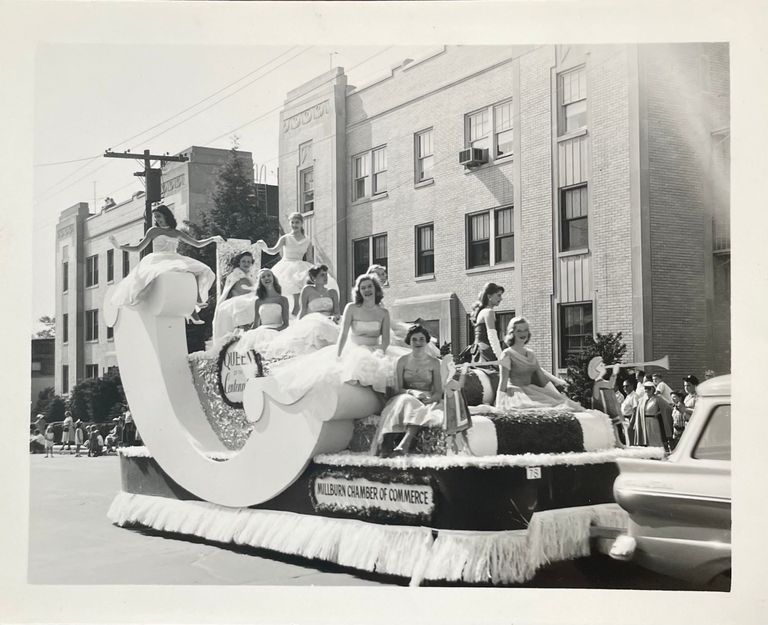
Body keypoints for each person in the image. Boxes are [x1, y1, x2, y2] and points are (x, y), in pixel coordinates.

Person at [264, 274, 407, 399]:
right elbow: (343, 335)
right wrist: (338, 354)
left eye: (369, 287)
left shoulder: (383, 313)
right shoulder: (351, 308)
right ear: (359, 291)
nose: (367, 290)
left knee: (389, 370)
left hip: (376, 348)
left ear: (376, 289)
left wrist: (379, 352)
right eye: (363, 288)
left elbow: (386, 340)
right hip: (354, 348)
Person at [109, 204, 223, 323]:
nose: (157, 219)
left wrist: (212, 239)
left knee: (199, 270)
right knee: (177, 274)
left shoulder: (176, 232)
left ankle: (195, 303)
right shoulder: (154, 231)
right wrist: (119, 246)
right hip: (158, 259)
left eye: (158, 216)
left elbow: (197, 244)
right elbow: (138, 248)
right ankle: (193, 310)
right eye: (155, 217)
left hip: (174, 257)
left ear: (166, 215)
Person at [373, 325, 444, 456]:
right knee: (408, 401)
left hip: (427, 398)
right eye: (414, 339)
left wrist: (429, 399)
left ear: (427, 341)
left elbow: (438, 392)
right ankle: (389, 443)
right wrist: (411, 392)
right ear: (409, 342)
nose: (418, 342)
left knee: (422, 408)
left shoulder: (434, 363)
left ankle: (405, 443)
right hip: (404, 396)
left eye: (422, 339)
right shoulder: (402, 361)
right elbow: (398, 389)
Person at [256, 212, 339, 316]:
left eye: (297, 222)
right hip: (286, 265)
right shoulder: (285, 238)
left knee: (303, 279)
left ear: (301, 223)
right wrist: (265, 247)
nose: (294, 225)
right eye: (292, 222)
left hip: (300, 264)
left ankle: (301, 308)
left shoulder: (307, 239)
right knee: (290, 281)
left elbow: (309, 258)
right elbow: (274, 251)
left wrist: (315, 271)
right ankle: (290, 309)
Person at [259, 264, 340, 359]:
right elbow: (303, 310)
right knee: (315, 329)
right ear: (314, 278)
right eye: (322, 275)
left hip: (329, 320)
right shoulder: (307, 290)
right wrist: (299, 326)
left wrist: (335, 316)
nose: (326, 277)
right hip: (313, 320)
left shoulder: (332, 292)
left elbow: (337, 311)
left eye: (326, 275)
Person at [495, 317, 576, 412]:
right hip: (515, 395)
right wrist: (499, 403)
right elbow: (503, 380)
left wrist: (557, 395)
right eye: (519, 331)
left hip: (532, 392)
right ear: (512, 333)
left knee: (562, 405)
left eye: (525, 330)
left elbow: (542, 378)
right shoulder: (506, 354)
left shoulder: (531, 354)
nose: (523, 334)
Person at [235, 269, 290, 355]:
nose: (266, 278)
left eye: (269, 275)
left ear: (273, 278)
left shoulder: (282, 300)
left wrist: (275, 330)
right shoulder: (259, 301)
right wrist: (246, 333)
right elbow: (256, 324)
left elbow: (286, 324)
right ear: (260, 281)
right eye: (263, 277)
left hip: (277, 330)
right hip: (262, 331)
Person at [212, 251, 258, 343]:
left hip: (247, 299)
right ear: (239, 262)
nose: (246, 264)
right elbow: (233, 291)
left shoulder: (251, 276)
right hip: (236, 301)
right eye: (244, 261)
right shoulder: (234, 275)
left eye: (249, 262)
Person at [461, 283, 505, 366]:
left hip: (477, 351)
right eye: (498, 295)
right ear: (489, 297)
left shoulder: (482, 311)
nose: (501, 298)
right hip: (486, 352)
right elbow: (492, 337)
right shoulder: (489, 312)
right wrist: (500, 358)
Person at [631, 381, 673, 450]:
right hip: (643, 422)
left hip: (653, 422)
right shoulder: (641, 400)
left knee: (655, 440)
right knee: (645, 441)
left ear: (653, 389)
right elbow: (638, 413)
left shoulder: (658, 398)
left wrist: (659, 413)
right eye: (645, 388)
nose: (647, 390)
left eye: (649, 388)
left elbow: (668, 407)